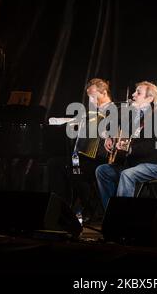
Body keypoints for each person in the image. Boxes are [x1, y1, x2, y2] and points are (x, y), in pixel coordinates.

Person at [95, 81, 157, 209]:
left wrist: (130, 149)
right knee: (102, 171)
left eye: (138, 92)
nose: (133, 95)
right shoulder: (134, 114)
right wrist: (109, 137)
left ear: (149, 98)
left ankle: (122, 218)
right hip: (136, 164)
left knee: (127, 174)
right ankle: (111, 214)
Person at [47, 78, 114, 221]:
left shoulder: (115, 110)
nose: (90, 99)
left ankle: (86, 208)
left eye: (93, 96)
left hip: (102, 159)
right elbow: (78, 123)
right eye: (88, 96)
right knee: (56, 163)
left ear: (103, 92)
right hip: (85, 157)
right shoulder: (91, 113)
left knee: (75, 170)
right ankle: (61, 209)